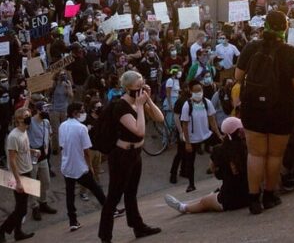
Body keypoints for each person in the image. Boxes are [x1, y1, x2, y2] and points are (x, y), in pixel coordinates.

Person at [234, 10, 294, 214]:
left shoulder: (251, 47)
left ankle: (253, 199)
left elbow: (238, 75)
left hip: (253, 108)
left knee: (256, 154)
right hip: (281, 110)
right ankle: (269, 195)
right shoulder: (292, 53)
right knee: (275, 155)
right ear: (285, 28)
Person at [97, 70, 163, 243]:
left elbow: (159, 117)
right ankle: (105, 236)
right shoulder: (121, 106)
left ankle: (138, 226)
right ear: (127, 88)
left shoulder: (139, 101)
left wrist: (147, 99)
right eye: (137, 87)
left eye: (143, 85)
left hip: (135, 154)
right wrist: (140, 106)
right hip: (121, 156)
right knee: (114, 196)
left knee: (131, 193)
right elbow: (139, 131)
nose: (140, 89)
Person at [163, 116, 250, 215]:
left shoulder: (218, 150)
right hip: (250, 195)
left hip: (230, 200)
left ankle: (183, 207)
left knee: (204, 202)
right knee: (216, 193)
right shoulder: (248, 146)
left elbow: (213, 170)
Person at [58, 101, 109, 232]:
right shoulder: (81, 128)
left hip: (66, 166)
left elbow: (62, 145)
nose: (83, 113)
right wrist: (90, 167)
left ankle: (73, 221)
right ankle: (110, 210)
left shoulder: (62, 126)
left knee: (70, 194)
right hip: (79, 166)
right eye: (81, 111)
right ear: (75, 113)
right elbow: (86, 151)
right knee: (96, 188)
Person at [0, 108, 36, 242]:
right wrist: (18, 181)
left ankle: (18, 232)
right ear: (18, 119)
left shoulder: (24, 132)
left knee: (22, 207)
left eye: (29, 115)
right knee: (21, 209)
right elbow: (11, 160)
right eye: (26, 116)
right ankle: (0, 233)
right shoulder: (13, 136)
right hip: (19, 174)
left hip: (27, 170)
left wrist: (32, 150)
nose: (29, 117)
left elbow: (22, 149)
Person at [179, 81, 220, 192]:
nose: (199, 93)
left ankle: (216, 170)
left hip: (206, 134)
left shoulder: (207, 103)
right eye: (196, 91)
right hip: (192, 138)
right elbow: (185, 125)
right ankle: (191, 184)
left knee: (220, 149)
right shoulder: (187, 105)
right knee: (190, 162)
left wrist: (218, 134)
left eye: (200, 90)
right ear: (191, 91)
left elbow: (212, 120)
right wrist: (187, 142)